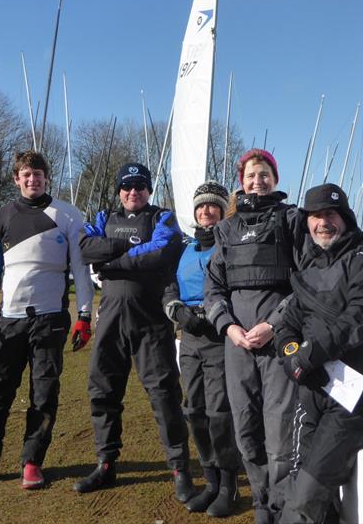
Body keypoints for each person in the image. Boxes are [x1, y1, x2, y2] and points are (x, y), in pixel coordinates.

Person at [0, 150, 94, 490]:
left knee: (44, 393)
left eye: (39, 174)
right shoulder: (3, 215)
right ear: (16, 179)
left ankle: (32, 462)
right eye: (26, 174)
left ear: (48, 177)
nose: (33, 179)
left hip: (51, 321)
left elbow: (81, 269)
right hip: (10, 319)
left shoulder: (68, 214)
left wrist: (85, 316)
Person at [272, 183, 363, 523]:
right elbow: (286, 324)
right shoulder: (309, 269)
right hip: (313, 389)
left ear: (345, 217)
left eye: (330, 214)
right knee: (296, 482)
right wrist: (291, 357)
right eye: (315, 216)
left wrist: (309, 353)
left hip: (356, 396)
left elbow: (360, 317)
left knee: (305, 497)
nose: (322, 223)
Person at [74, 162, 194, 502]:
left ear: (148, 190)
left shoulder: (162, 218)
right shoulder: (103, 217)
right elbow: (85, 249)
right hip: (110, 320)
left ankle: (179, 469)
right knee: (103, 392)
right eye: (127, 186)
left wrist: (110, 259)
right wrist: (125, 249)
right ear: (119, 191)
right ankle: (106, 463)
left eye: (140, 185)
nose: (133, 191)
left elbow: (160, 252)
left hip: (151, 323)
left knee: (164, 396)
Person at [204, 149, 307, 524]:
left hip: (278, 344)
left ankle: (283, 509)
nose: (257, 181)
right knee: (246, 430)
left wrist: (275, 325)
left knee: (280, 436)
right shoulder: (226, 229)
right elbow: (213, 289)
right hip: (238, 346)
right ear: (241, 180)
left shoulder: (292, 220)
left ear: (275, 179)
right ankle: (263, 505)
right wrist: (230, 328)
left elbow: (307, 282)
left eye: (264, 174)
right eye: (250, 175)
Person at [163, 181, 242, 517]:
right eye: (201, 207)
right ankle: (209, 479)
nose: (206, 211)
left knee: (219, 413)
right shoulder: (184, 248)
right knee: (194, 410)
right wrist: (177, 310)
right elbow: (168, 287)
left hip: (219, 336)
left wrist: (216, 317)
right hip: (190, 337)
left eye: (213, 206)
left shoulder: (232, 246)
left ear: (224, 211)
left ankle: (229, 484)